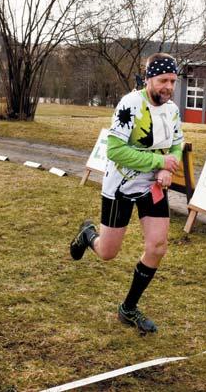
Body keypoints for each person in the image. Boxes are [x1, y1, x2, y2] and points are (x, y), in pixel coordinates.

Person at [70, 52, 183, 334]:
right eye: (162, 81)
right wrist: (159, 162)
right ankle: (88, 235)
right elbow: (116, 150)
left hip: (152, 188)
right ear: (148, 79)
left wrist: (169, 167)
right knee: (108, 253)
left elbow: (178, 145)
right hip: (119, 187)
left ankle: (128, 308)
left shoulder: (172, 110)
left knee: (157, 247)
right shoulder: (130, 105)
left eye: (172, 81)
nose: (168, 87)